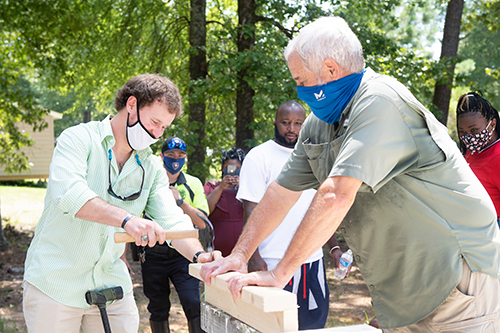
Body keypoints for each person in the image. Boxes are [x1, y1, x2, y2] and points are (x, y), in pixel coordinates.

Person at [201, 17, 500, 332]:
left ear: (330, 70)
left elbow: (335, 194)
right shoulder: (319, 123)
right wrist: (240, 254)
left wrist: (279, 274)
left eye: (301, 79)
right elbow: (280, 191)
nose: (298, 89)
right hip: (405, 289)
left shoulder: (380, 101)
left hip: (460, 278)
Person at [23, 74, 219, 333]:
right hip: (55, 282)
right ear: (131, 105)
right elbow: (68, 194)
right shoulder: (78, 139)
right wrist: (127, 220)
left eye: (164, 128)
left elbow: (172, 221)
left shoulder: (150, 166)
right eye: (154, 122)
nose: (157, 134)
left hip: (111, 284)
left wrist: (200, 256)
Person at [236, 100, 340, 330]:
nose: (291, 129)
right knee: (275, 327)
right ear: (275, 123)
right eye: (285, 123)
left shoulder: (316, 157)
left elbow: (322, 206)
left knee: (313, 324)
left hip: (311, 261)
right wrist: (253, 257)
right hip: (272, 262)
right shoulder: (258, 157)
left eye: (297, 123)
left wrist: (333, 248)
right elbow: (250, 210)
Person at [140, 136, 210, 333]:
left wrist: (181, 202)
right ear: (162, 156)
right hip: (153, 254)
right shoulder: (148, 181)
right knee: (158, 308)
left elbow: (202, 223)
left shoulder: (193, 183)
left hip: (183, 255)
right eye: (171, 155)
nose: (175, 159)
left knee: (193, 304)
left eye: (180, 155)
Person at [456, 91, 500, 225]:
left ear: (492, 124)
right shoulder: (474, 151)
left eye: (474, 130)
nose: (468, 136)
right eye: (462, 132)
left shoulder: (497, 156)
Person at [204, 148, 245, 257]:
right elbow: (205, 210)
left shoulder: (248, 189)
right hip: (216, 252)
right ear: (223, 168)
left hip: (244, 253)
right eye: (228, 168)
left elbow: (255, 211)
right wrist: (221, 187)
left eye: (237, 168)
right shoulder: (212, 187)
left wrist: (242, 187)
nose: (232, 171)